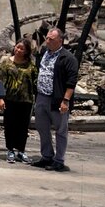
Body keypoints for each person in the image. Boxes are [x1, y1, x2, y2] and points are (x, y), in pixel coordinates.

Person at [31, 28, 78, 172]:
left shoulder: (68, 58)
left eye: (51, 39)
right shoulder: (44, 53)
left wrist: (65, 100)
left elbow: (71, 82)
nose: (47, 41)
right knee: (42, 128)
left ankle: (59, 160)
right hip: (41, 97)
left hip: (57, 99)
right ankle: (47, 156)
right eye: (47, 38)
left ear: (60, 41)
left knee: (60, 130)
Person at [0, 38, 37, 164]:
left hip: (26, 100)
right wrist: (0, 99)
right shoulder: (6, 63)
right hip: (9, 99)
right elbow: (0, 82)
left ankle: (21, 151)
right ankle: (10, 150)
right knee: (9, 125)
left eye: (22, 48)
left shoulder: (31, 64)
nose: (18, 50)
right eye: (17, 47)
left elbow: (35, 82)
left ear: (26, 51)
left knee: (23, 127)